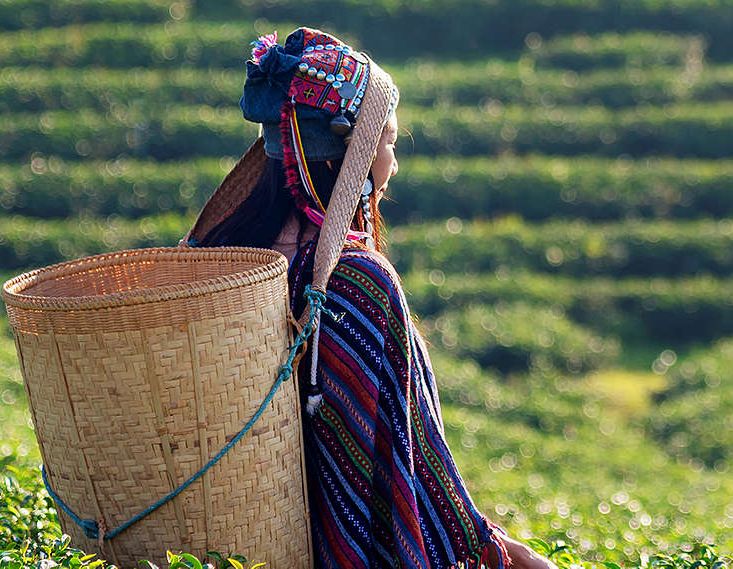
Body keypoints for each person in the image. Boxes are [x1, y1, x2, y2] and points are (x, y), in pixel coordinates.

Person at [187, 27, 555, 569]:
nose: (393, 163)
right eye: (386, 143)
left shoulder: (220, 258)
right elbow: (413, 453)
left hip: (228, 536)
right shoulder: (359, 280)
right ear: (343, 157)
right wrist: (499, 549)